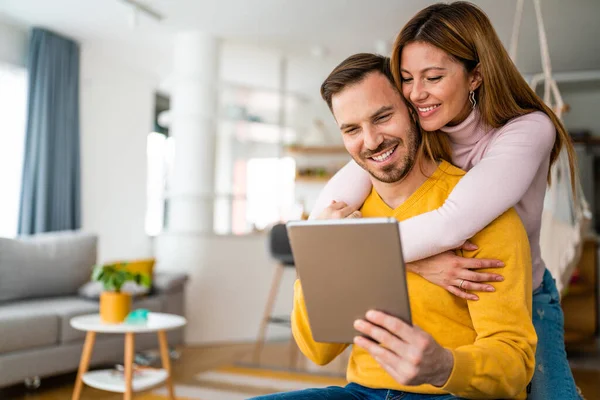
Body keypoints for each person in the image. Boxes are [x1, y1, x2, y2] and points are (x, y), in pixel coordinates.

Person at [310, 3, 580, 399]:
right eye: (405, 79)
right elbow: (322, 218)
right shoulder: (419, 129)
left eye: (433, 77)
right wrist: (420, 264)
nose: (417, 94)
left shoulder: (528, 130)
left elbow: (452, 223)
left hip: (518, 293)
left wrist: (363, 251)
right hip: (453, 291)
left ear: (476, 75)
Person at [251, 53, 536, 400]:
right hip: (362, 392)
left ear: (414, 111)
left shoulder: (481, 211)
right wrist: (319, 252)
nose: (371, 142)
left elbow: (515, 363)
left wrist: (444, 365)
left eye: (383, 117)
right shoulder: (344, 215)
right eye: (352, 129)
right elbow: (318, 350)